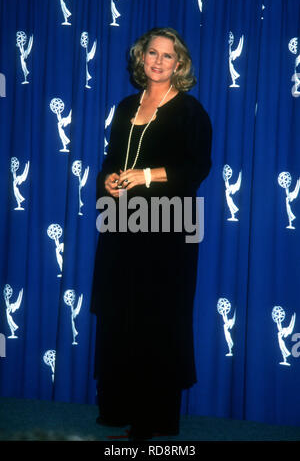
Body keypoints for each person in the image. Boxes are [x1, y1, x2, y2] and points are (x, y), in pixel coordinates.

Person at [90, 27, 212, 440]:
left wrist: (146, 175)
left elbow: (196, 170)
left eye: (168, 56)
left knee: (156, 322)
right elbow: (110, 159)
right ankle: (121, 409)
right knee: (119, 318)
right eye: (152, 54)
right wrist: (107, 180)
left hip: (168, 231)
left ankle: (152, 424)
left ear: (180, 64)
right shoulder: (126, 106)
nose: (158, 62)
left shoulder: (190, 111)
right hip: (122, 226)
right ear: (141, 58)